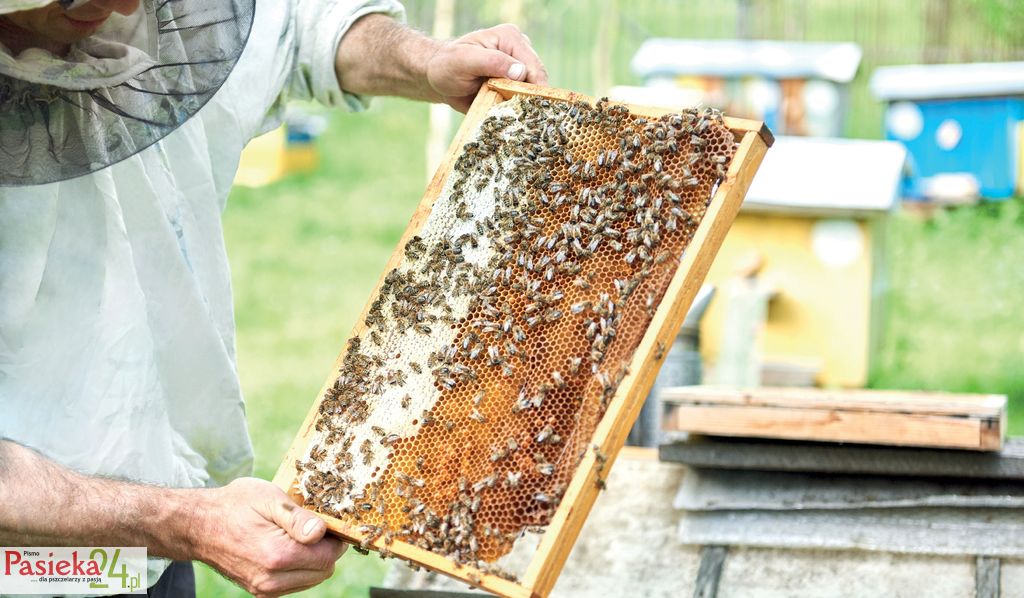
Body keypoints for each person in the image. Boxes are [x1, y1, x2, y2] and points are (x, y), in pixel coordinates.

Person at [0, 0, 547, 596]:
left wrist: (428, 59)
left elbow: (295, 31)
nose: (125, 5)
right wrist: (188, 522)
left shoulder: (158, 18)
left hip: (141, 551)